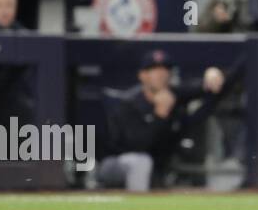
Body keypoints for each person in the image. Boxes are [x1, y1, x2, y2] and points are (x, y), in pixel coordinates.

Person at [92, 49, 227, 191]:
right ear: (142, 75)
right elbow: (138, 146)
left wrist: (213, 74)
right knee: (142, 161)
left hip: (153, 167)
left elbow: (205, 88)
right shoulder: (129, 103)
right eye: (154, 70)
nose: (161, 74)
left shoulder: (173, 94)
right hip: (116, 164)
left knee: (152, 166)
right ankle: (138, 204)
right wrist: (159, 115)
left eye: (165, 69)